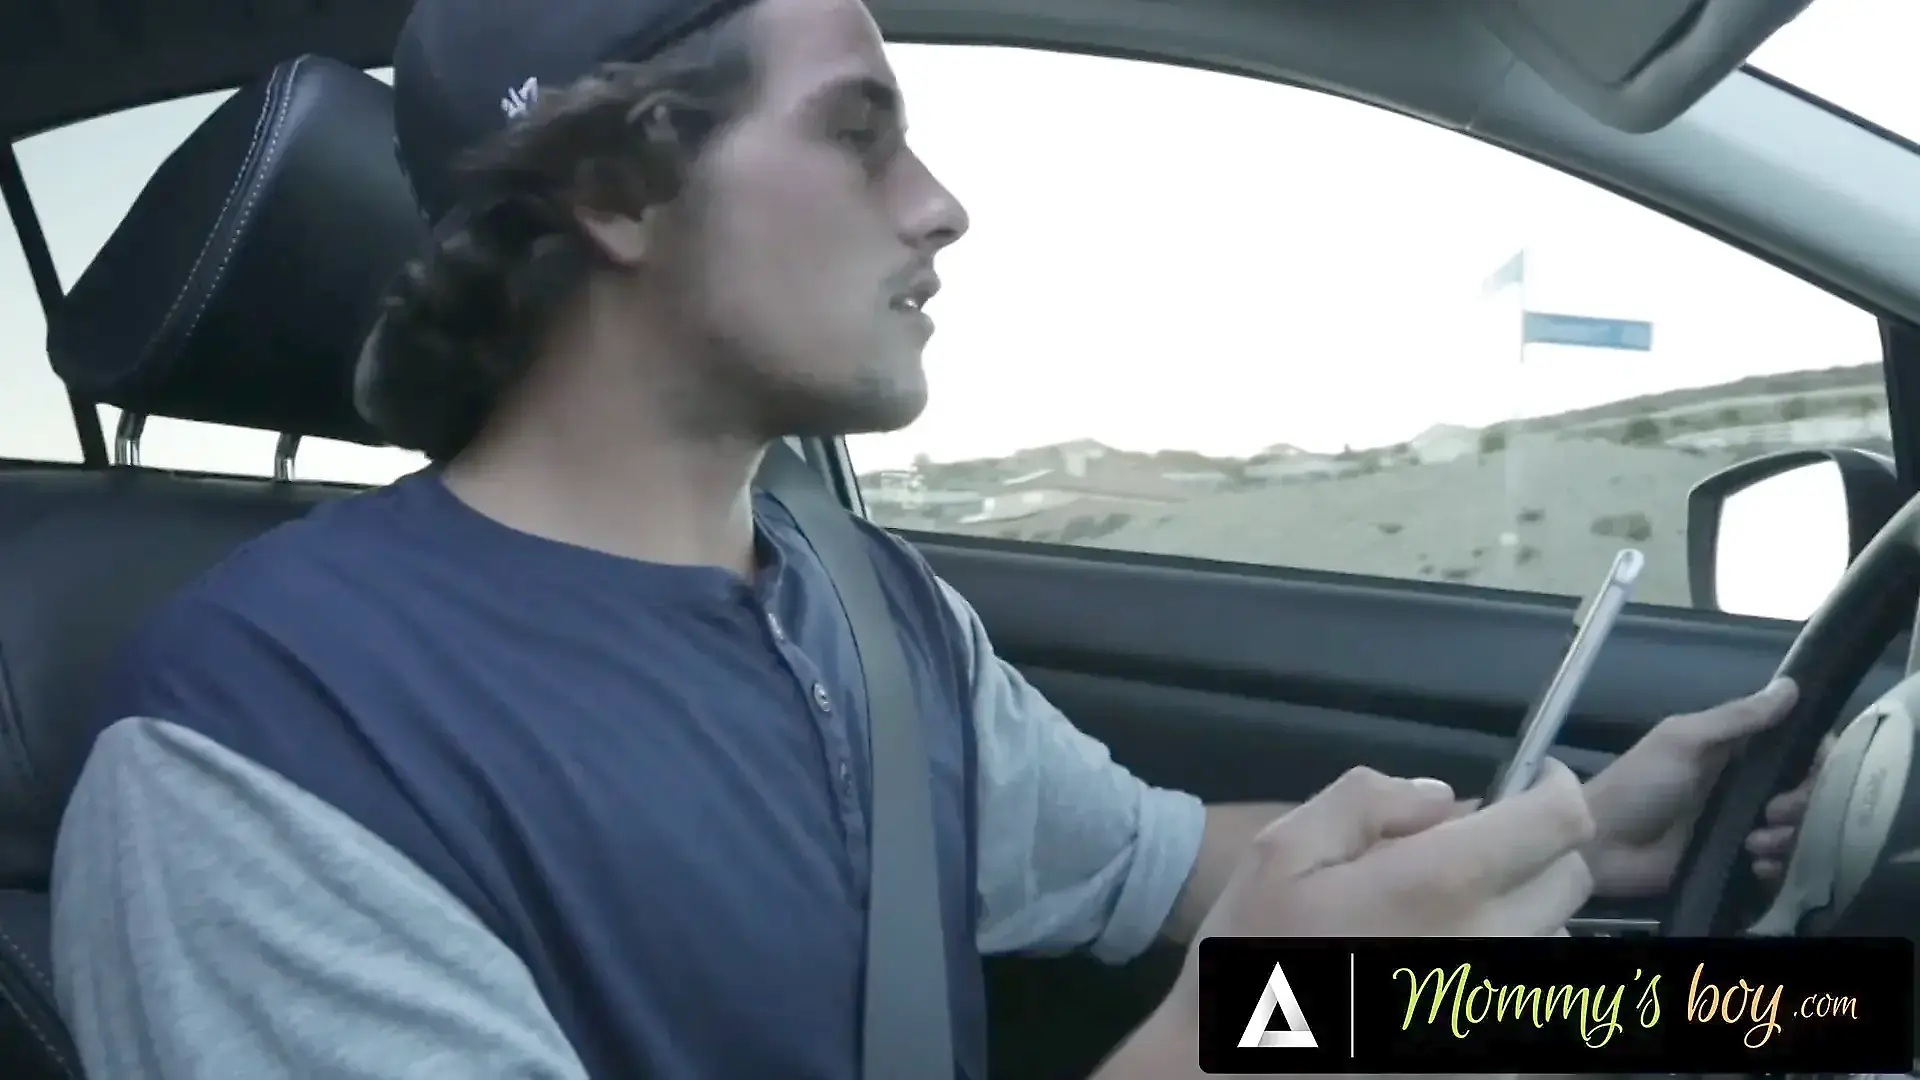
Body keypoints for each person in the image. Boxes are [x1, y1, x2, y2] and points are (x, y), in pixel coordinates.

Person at [46, 0, 1818, 1076]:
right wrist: (1253, 1038)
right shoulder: (257, 751)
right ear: (615, 190)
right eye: (859, 133)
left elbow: (1164, 870)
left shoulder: (872, 611)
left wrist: (1587, 831)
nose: (942, 203)